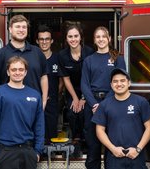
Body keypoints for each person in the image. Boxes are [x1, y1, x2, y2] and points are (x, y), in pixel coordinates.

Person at [0, 56, 44, 169]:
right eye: (13, 69)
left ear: (25, 72)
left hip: (28, 152)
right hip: (5, 152)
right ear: (8, 72)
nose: (17, 72)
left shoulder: (35, 95)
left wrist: (38, 151)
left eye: (21, 69)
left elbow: (39, 125)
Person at [81, 26, 126, 169]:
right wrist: (94, 104)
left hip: (113, 104)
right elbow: (84, 85)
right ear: (94, 40)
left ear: (109, 39)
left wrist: (105, 105)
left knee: (111, 145)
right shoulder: (88, 60)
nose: (101, 39)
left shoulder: (117, 58)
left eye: (103, 36)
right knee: (93, 145)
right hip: (92, 106)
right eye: (98, 37)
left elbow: (121, 83)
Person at [91, 68, 150, 169]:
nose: (119, 84)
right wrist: (113, 149)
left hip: (136, 156)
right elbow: (99, 130)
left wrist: (138, 149)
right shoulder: (104, 105)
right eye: (115, 81)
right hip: (113, 157)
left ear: (129, 83)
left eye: (122, 80)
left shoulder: (141, 102)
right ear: (111, 85)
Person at [0, 14, 48, 109]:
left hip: (33, 105)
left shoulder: (37, 52)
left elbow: (44, 77)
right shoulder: (1, 53)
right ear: (10, 29)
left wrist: (43, 101)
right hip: (9, 107)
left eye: (24, 27)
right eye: (17, 27)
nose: (21, 30)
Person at [58, 24, 94, 157]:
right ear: (66, 39)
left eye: (76, 36)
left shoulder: (90, 52)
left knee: (85, 113)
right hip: (72, 89)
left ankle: (87, 142)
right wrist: (75, 98)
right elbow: (65, 79)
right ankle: (76, 140)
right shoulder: (62, 55)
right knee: (73, 112)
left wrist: (84, 98)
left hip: (89, 88)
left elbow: (92, 77)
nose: (73, 39)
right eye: (70, 36)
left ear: (81, 37)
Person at [36, 25, 63, 143]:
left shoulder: (58, 58)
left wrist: (55, 94)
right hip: (35, 100)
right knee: (36, 128)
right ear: (37, 41)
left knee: (52, 131)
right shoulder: (33, 58)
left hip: (52, 100)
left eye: (47, 39)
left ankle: (51, 156)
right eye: (41, 39)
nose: (44, 42)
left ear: (52, 41)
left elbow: (62, 80)